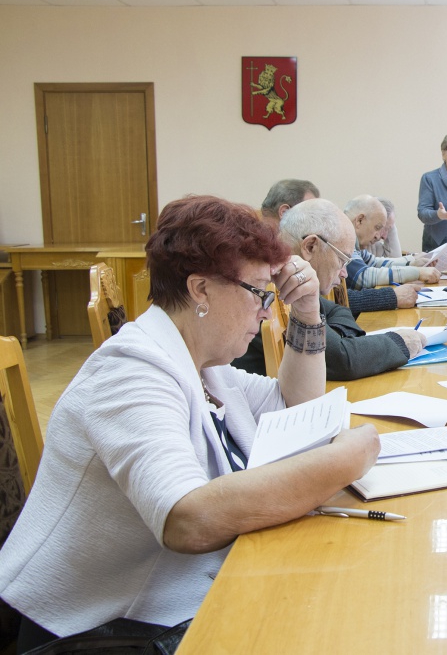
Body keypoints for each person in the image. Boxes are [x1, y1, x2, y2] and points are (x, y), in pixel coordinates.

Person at [0, 196, 381, 649]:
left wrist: (307, 315)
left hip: (162, 604)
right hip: (93, 628)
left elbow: (296, 403)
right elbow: (187, 518)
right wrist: (342, 464)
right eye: (259, 292)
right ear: (200, 290)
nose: (265, 311)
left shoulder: (205, 363)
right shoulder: (130, 370)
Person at [233, 198, 426, 380]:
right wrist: (399, 342)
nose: (344, 273)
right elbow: (342, 359)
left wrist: (337, 336)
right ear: (310, 246)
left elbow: (339, 310)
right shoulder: (268, 285)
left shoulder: (293, 279)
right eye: (342, 260)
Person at [258, 179, 420, 312]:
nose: (344, 273)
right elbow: (340, 299)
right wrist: (392, 295)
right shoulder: (264, 259)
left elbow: (329, 307)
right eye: (310, 211)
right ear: (286, 213)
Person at [344, 195, 440, 289]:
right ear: (359, 220)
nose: (378, 236)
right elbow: (364, 277)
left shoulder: (353, 241)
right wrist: (417, 273)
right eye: (377, 228)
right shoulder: (344, 239)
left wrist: (412, 262)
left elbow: (374, 263)